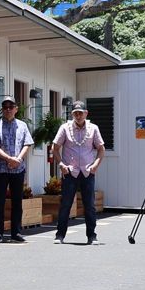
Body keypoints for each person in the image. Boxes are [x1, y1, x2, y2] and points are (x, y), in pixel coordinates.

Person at [51, 101, 105, 244]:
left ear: (86, 113)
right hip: (70, 171)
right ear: (72, 114)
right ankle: (60, 235)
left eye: (81, 113)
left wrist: (95, 165)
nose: (78, 115)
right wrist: (61, 164)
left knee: (90, 205)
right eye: (76, 113)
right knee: (66, 204)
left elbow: (101, 149)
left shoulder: (93, 128)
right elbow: (55, 148)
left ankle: (92, 236)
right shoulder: (65, 128)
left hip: (88, 171)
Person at [0, 96, 34, 243]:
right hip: (0, 169)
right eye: (5, 107)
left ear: (16, 109)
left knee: (17, 201)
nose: (8, 109)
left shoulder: (23, 125)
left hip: (18, 169)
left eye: (10, 107)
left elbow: (27, 144)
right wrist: (9, 159)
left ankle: (16, 232)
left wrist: (18, 159)